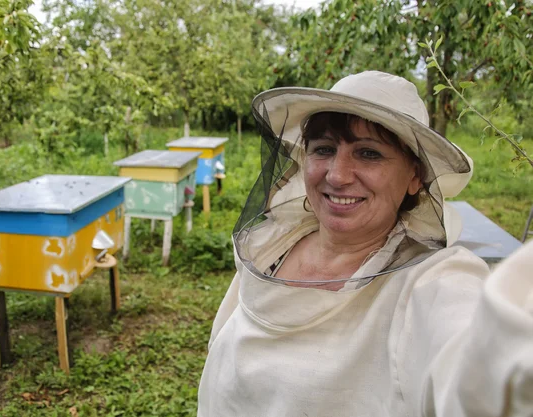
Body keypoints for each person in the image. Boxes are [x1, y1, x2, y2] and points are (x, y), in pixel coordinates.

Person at [197, 71, 533, 416]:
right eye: (324, 149)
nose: (338, 175)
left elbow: (478, 373)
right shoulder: (273, 245)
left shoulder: (432, 281)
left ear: (415, 175)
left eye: (369, 154)